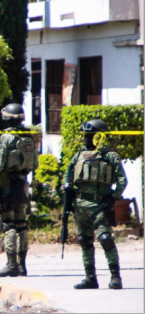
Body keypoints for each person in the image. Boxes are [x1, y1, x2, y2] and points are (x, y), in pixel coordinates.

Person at [63, 119, 127, 290]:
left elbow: (122, 180)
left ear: (99, 136)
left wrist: (113, 198)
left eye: (89, 135)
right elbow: (68, 175)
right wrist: (67, 188)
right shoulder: (78, 155)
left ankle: (115, 277)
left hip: (100, 204)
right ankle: (90, 278)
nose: (85, 138)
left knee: (105, 239)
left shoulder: (110, 156)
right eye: (85, 135)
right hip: (80, 204)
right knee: (84, 240)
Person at [0, 103, 39, 277]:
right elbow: (34, 163)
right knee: (22, 224)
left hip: (7, 185)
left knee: (8, 224)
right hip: (22, 184)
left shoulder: (6, 138)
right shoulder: (29, 137)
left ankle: (11, 264)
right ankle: (22, 266)